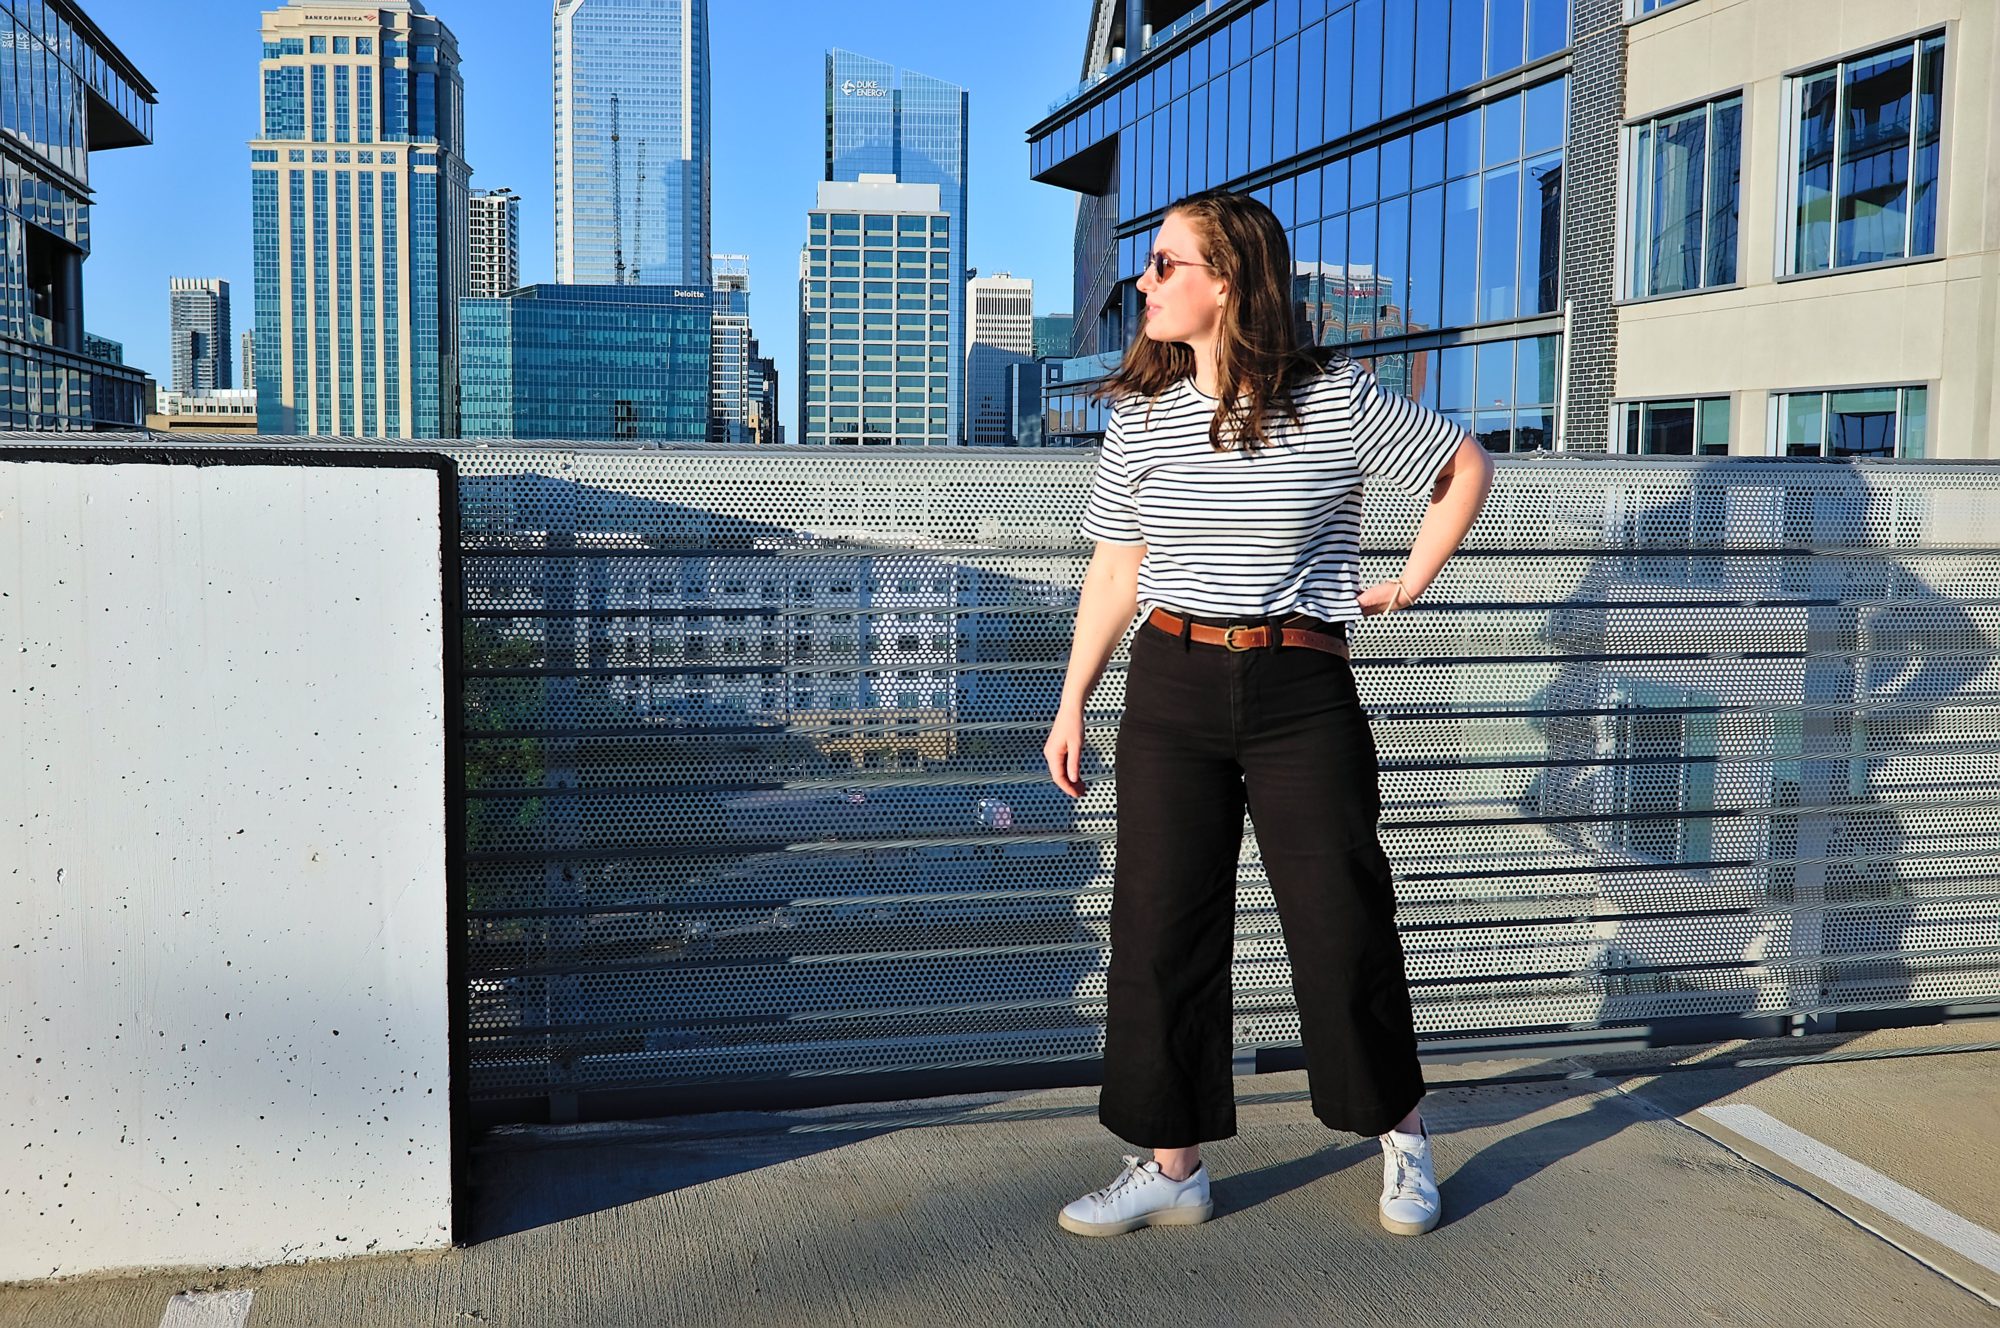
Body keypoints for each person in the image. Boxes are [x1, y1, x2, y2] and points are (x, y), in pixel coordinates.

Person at [1042, 187, 1494, 1239]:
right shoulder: (1141, 417)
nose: (1142, 283)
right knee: (1157, 926)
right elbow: (1115, 568)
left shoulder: (1333, 399)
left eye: (1163, 264)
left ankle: (1402, 1133)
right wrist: (1071, 701)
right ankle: (1170, 1164)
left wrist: (1409, 581)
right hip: (1170, 682)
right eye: (1147, 266)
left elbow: (1462, 465)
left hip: (1298, 687)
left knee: (1340, 921)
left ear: (1228, 280)